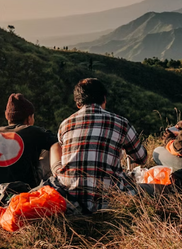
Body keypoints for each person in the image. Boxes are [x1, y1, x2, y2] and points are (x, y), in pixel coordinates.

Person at [52, 78, 147, 214]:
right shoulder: (121, 123)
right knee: (153, 189)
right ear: (104, 99)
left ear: (78, 104)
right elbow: (142, 159)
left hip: (71, 203)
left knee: (55, 148)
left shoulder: (65, 125)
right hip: (111, 203)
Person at [0, 93, 57, 192]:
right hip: (27, 187)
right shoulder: (34, 131)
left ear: (7, 116)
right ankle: (53, 181)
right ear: (29, 118)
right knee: (53, 146)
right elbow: (59, 143)